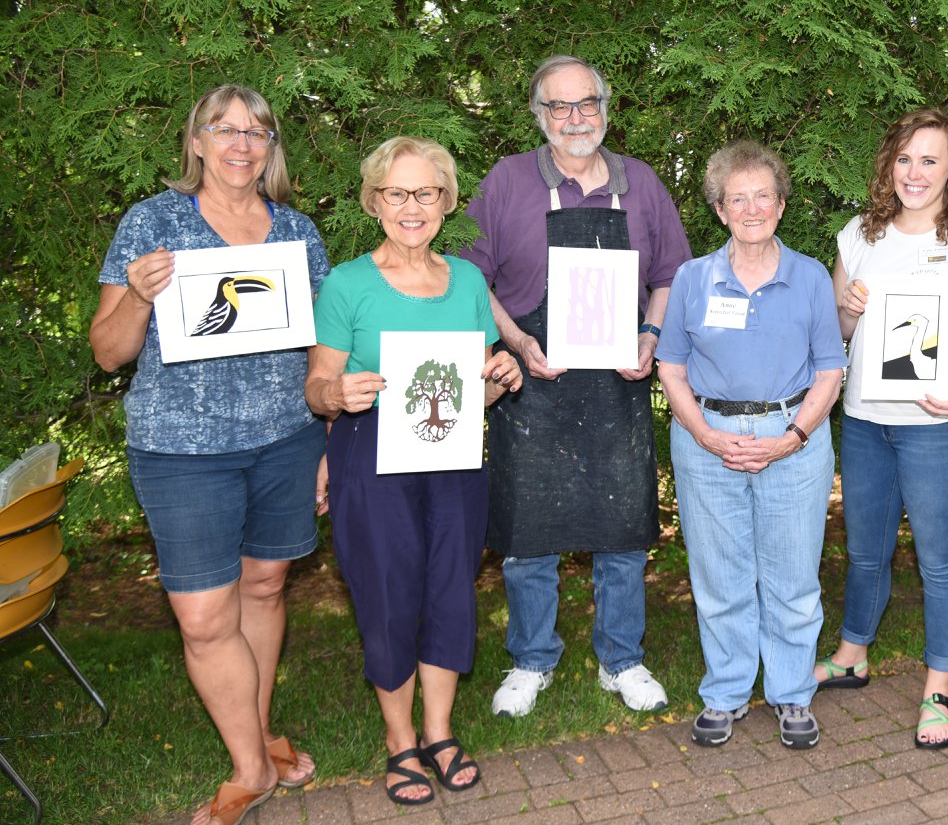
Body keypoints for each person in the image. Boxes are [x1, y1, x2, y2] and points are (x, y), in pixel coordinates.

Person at [90, 85, 327, 825]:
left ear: (270, 148)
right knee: (201, 619)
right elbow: (107, 353)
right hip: (182, 450)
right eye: (223, 129)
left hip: (287, 440)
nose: (241, 144)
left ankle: (254, 745)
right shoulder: (152, 224)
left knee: (263, 591)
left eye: (257, 131)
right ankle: (252, 768)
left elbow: (323, 348)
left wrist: (327, 448)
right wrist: (134, 294)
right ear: (196, 142)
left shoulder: (297, 233)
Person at [458, 55, 692, 718]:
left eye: (586, 103)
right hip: (533, 379)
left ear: (606, 108)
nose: (574, 119)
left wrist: (649, 336)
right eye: (558, 107)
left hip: (615, 383)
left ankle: (623, 659)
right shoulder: (506, 182)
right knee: (529, 531)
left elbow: (671, 273)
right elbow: (471, 276)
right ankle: (531, 659)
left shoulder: (641, 184)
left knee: (622, 527)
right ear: (539, 116)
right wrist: (517, 342)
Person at [305, 137, 522, 807]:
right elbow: (316, 384)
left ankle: (439, 731)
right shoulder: (346, 284)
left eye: (425, 192)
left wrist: (501, 377)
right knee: (389, 593)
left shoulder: (467, 281)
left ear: (445, 202)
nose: (412, 206)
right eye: (396, 193)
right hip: (371, 458)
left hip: (452, 458)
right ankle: (400, 743)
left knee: (451, 589)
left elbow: (474, 383)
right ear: (374, 203)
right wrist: (334, 397)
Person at [816, 108, 948, 750]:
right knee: (865, 550)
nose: (915, 172)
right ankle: (852, 655)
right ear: (888, 165)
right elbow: (839, 335)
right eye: (904, 158)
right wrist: (846, 309)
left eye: (930, 159)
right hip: (869, 422)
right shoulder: (858, 236)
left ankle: (939, 686)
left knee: (940, 562)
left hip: (940, 428)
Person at [655, 141, 845, 750]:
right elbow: (671, 370)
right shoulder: (691, 279)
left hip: (794, 439)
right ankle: (727, 693)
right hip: (706, 441)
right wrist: (705, 435)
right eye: (738, 198)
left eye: (763, 195)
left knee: (791, 577)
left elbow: (829, 372)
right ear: (719, 209)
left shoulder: (812, 277)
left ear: (782, 205)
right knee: (719, 577)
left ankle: (791, 693)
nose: (752, 207)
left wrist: (791, 438)